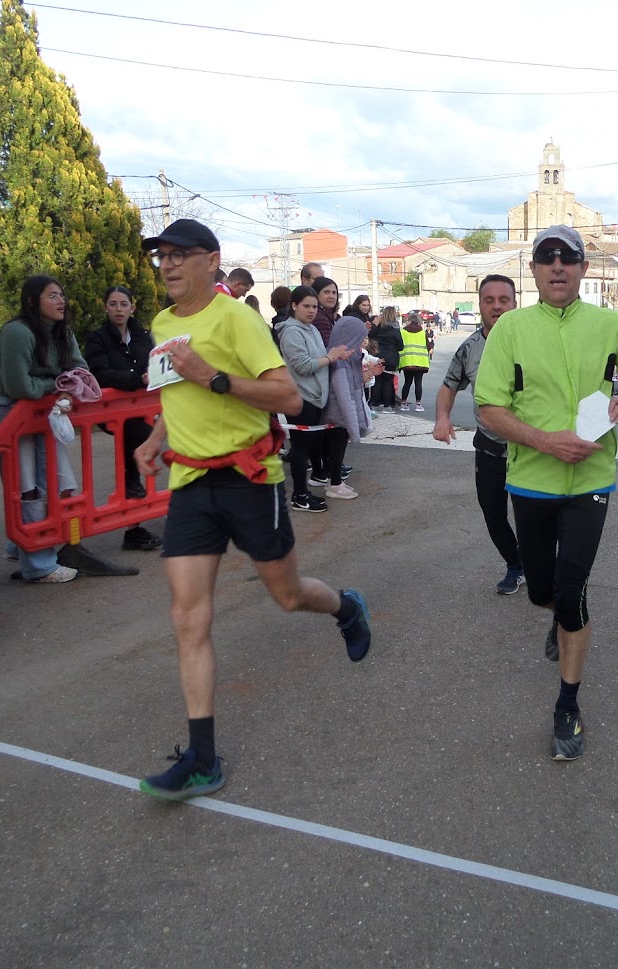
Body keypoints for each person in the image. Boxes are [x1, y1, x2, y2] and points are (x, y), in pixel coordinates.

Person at [133, 219, 371, 801]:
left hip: (249, 478)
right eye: (162, 256)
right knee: (188, 617)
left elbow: (287, 396)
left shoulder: (237, 319)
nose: (168, 264)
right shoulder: (162, 323)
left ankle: (345, 606)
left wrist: (213, 377)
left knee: (287, 596)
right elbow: (176, 390)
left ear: (212, 260)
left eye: (180, 254)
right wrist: (156, 438)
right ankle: (202, 759)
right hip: (191, 481)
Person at [474, 225, 618, 762]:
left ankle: (567, 704)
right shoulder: (510, 329)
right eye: (546, 257)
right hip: (531, 479)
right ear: (534, 270)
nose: (557, 265)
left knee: (573, 590)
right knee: (542, 592)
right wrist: (544, 441)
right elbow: (488, 408)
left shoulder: (612, 325)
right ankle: (556, 616)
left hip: (592, 480)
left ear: (583, 268)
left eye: (568, 257)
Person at [0, 275, 85, 583]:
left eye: (61, 295)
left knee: (48, 480)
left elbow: (80, 369)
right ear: (31, 301)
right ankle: (38, 566)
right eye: (52, 296)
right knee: (26, 488)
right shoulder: (17, 332)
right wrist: (58, 384)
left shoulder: (62, 331)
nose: (61, 301)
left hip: (40, 412)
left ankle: (22, 546)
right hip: (8, 413)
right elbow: (19, 386)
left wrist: (64, 387)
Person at [433, 274, 525, 595]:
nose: (497, 306)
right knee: (494, 516)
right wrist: (442, 417)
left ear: (515, 304)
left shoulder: (534, 342)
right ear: (480, 305)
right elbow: (449, 386)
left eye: (504, 300)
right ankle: (516, 564)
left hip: (530, 450)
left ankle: (541, 565)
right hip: (489, 449)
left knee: (533, 517)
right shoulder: (469, 349)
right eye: (489, 300)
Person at [82, 285, 163, 550]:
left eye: (124, 304)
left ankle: (134, 528)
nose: (119, 309)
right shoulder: (97, 338)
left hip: (140, 407)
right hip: (112, 410)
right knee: (141, 438)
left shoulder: (142, 335)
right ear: (105, 307)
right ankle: (132, 491)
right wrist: (135, 379)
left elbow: (153, 362)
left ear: (132, 308)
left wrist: (150, 375)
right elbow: (100, 373)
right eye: (113, 304)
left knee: (137, 447)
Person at [276, 286, 351, 511]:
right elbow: (303, 366)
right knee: (300, 449)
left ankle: (304, 493)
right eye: (306, 306)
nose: (311, 311)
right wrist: (330, 357)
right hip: (301, 398)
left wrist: (336, 355)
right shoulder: (291, 332)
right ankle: (299, 496)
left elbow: (319, 357)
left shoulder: (311, 329)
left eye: (314, 307)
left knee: (308, 447)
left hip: (315, 397)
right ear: (294, 305)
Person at [322, 312, 379, 499]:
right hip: (339, 417)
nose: (362, 343)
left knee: (337, 449)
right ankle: (335, 484)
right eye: (360, 338)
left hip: (341, 417)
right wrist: (354, 430)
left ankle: (335, 481)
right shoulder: (341, 365)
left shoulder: (349, 360)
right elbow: (345, 398)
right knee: (336, 449)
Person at [369, 306, 403, 412]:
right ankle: (387, 406)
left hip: (377, 357)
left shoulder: (378, 329)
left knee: (377, 381)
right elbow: (401, 347)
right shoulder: (395, 330)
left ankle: (375, 404)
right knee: (388, 382)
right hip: (391, 359)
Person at [398, 311, 431, 412]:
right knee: (418, 383)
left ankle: (403, 403)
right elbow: (429, 347)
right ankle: (418, 405)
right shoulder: (422, 333)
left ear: (409, 320)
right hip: (420, 362)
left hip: (407, 361)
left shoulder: (403, 332)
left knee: (407, 383)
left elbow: (399, 345)